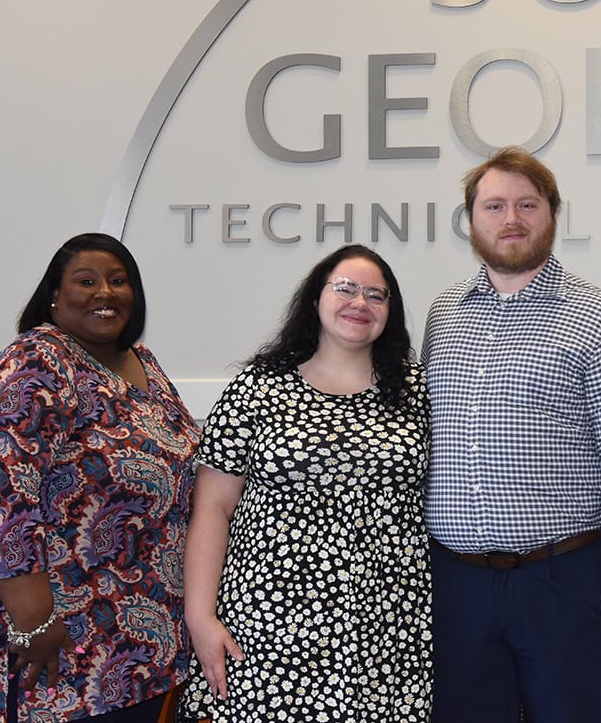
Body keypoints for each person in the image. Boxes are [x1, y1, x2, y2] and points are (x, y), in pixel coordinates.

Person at [422, 146, 601, 723]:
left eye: (527, 204)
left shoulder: (599, 317)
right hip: (456, 582)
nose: (512, 219)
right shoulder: (442, 314)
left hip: (561, 581)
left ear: (553, 215)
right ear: (471, 220)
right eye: (494, 205)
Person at [179, 245, 431, 722]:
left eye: (377, 295)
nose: (360, 302)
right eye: (345, 288)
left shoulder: (417, 390)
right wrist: (201, 617)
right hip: (267, 620)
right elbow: (213, 508)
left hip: (387, 623)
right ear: (316, 298)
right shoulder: (257, 386)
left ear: (390, 313)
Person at [0, 232, 199, 723]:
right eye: (87, 280)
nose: (105, 292)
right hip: (63, 650)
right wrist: (33, 623)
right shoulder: (34, 364)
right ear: (54, 295)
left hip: (148, 650)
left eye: (118, 281)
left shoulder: (143, 363)